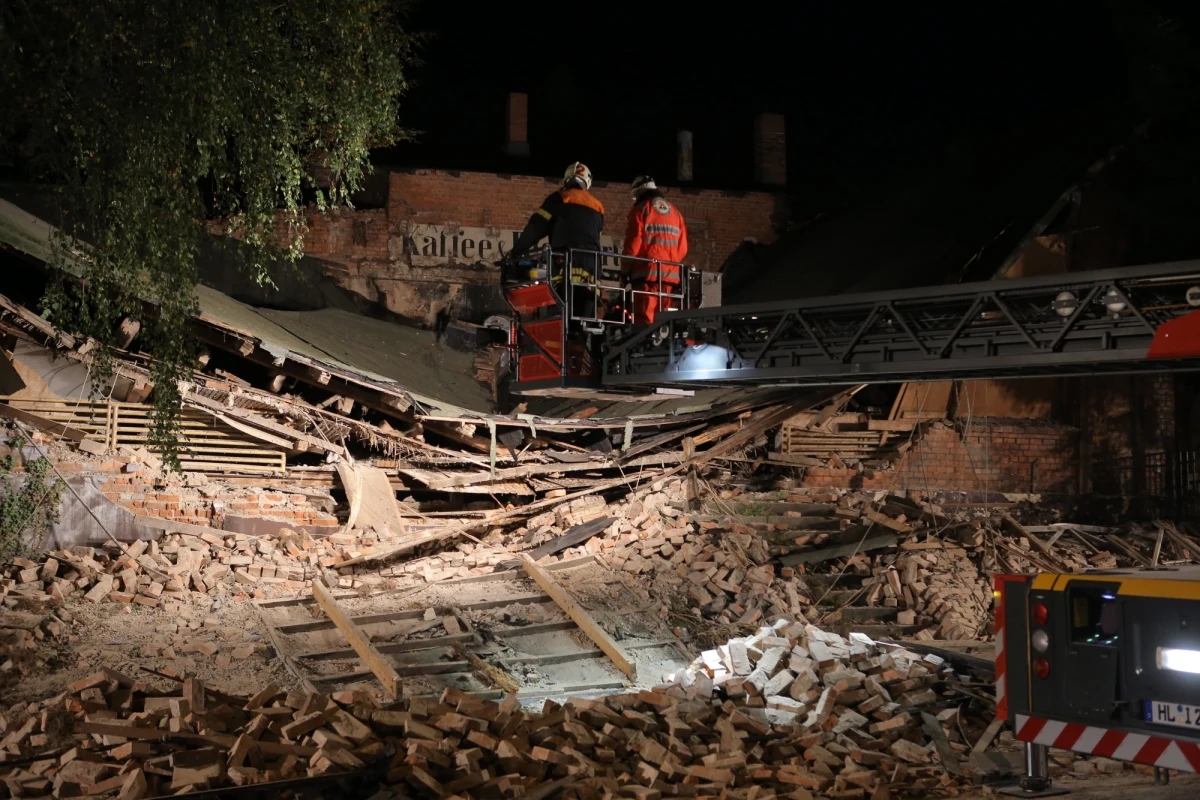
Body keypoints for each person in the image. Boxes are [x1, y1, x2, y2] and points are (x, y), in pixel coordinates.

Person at [510, 162, 605, 319]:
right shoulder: (598, 207)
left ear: (567, 179)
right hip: (592, 272)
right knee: (584, 321)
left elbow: (536, 228)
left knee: (560, 320)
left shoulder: (559, 198)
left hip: (565, 268)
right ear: (587, 181)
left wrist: (517, 251)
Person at [622, 175, 688, 324]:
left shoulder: (640, 209)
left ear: (637, 193)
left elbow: (632, 246)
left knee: (645, 323)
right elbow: (683, 248)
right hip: (670, 280)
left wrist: (624, 271)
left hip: (647, 278)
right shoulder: (675, 213)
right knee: (664, 324)